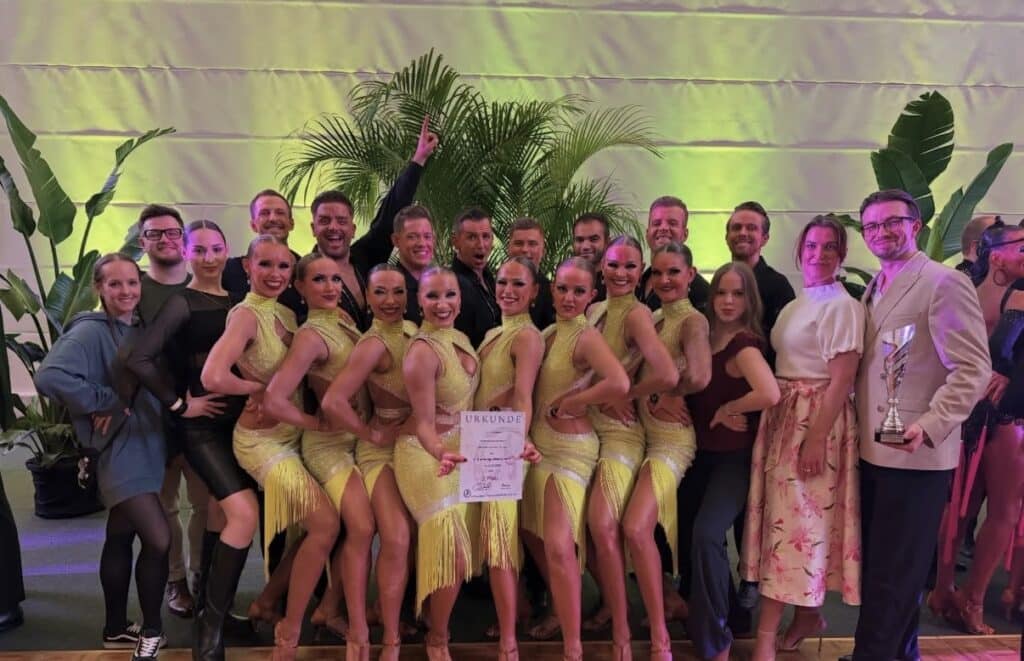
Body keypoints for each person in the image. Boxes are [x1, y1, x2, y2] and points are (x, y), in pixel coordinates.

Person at [848, 189, 989, 661]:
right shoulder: (874, 286)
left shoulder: (943, 282)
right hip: (873, 450)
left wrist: (930, 425)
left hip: (916, 455)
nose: (881, 232)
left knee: (893, 576)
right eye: (872, 226)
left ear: (915, 225)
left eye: (892, 222)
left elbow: (973, 369)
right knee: (888, 572)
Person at [119, 221, 252, 660]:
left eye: (216, 249)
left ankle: (214, 610)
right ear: (188, 253)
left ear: (227, 251)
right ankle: (208, 630)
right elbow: (140, 358)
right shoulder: (182, 302)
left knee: (217, 511)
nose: (209, 258)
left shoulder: (238, 300)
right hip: (201, 428)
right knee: (237, 512)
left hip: (239, 425)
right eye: (200, 249)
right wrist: (179, 405)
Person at [202, 235, 339, 659]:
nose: (275, 274)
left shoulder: (286, 312)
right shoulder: (246, 316)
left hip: (292, 436)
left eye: (283, 266)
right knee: (326, 524)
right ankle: (274, 631)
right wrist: (256, 388)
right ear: (247, 266)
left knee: (317, 526)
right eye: (266, 265)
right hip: (261, 442)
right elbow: (212, 375)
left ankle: (266, 601)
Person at [36, 253, 170, 661]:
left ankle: (115, 628)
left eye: (132, 282)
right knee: (159, 539)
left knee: (120, 533)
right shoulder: (90, 331)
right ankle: (152, 631)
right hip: (121, 449)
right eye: (115, 284)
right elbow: (49, 376)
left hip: (145, 444)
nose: (126, 291)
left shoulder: (139, 325)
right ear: (98, 288)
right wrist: (103, 400)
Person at [741, 215, 864, 660]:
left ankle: (766, 637)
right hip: (785, 416)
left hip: (815, 421)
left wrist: (815, 438)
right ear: (799, 250)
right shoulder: (799, 302)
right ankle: (807, 616)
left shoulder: (843, 306)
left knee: (796, 529)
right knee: (790, 526)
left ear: (842, 254)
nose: (819, 254)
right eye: (812, 246)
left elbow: (842, 379)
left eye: (829, 247)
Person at [261, 254, 377, 656]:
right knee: (360, 527)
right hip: (329, 448)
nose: (330, 287)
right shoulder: (311, 335)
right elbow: (274, 398)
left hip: (357, 443)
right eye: (319, 280)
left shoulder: (342, 318)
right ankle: (296, 628)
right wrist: (315, 423)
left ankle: (325, 608)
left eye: (335, 279)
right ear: (300, 287)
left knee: (339, 532)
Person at [520, 257, 630, 661]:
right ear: (551, 290)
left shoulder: (585, 336)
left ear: (591, 295)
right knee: (533, 534)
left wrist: (575, 402)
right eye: (563, 289)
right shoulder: (548, 333)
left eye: (579, 291)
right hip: (537, 447)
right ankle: (565, 612)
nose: (569, 297)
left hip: (569, 451)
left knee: (558, 544)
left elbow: (619, 381)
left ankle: (576, 646)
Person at [582, 236, 679, 658]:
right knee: (588, 529)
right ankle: (617, 616)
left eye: (629, 266)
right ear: (601, 268)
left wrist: (627, 393)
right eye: (613, 264)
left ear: (641, 273)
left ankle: (652, 635)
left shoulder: (638, 314)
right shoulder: (592, 310)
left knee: (604, 524)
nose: (620, 273)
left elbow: (668, 375)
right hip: (586, 431)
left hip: (621, 434)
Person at [929, 220, 1024, 635]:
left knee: (959, 508)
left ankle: (943, 589)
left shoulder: (963, 288)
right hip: (1002, 415)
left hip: (966, 410)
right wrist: (1003, 373)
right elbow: (1001, 350)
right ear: (998, 256)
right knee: (1003, 511)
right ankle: (973, 599)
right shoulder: (1017, 295)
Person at [683, 262, 780, 661]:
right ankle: (720, 618)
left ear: (749, 300)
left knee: (707, 535)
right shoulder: (704, 337)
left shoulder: (744, 346)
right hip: (699, 455)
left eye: (737, 294)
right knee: (696, 540)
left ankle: (716, 639)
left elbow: (770, 393)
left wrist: (730, 408)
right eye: (721, 292)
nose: (727, 301)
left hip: (733, 459)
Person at [322, 264, 417, 661]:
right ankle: (382, 636)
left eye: (398, 291)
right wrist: (371, 434)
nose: (390, 300)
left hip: (417, 447)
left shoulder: (414, 332)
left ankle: (390, 618)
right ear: (367, 297)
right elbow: (333, 401)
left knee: (413, 537)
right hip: (382, 452)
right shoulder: (373, 343)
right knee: (396, 537)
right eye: (380, 292)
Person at [621, 241, 710, 660]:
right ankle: (668, 602)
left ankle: (661, 639)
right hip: (641, 436)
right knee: (627, 526)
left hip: (672, 440)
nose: (665, 280)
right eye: (657, 273)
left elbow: (700, 375)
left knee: (636, 528)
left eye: (673, 271)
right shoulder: (653, 317)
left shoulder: (692, 321)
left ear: (690, 275)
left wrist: (666, 394)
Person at [395, 266, 481, 661]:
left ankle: (433, 616)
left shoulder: (460, 338)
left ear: (460, 300)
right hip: (424, 453)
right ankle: (438, 636)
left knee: (460, 549)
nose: (442, 304)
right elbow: (425, 425)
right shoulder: (421, 351)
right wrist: (439, 452)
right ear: (419, 301)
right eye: (432, 296)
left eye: (449, 295)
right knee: (454, 549)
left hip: (462, 452)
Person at [134, 204, 209, 620]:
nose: (165, 239)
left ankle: (201, 575)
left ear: (183, 238)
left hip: (204, 414)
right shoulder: (134, 290)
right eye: (155, 233)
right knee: (164, 506)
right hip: (152, 416)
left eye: (172, 232)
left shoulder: (206, 282)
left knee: (206, 503)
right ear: (142, 241)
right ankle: (175, 578)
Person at [474, 257, 546, 661]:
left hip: (504, 444)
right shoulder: (494, 332)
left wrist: (515, 441)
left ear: (534, 292)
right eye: (502, 282)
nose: (508, 290)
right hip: (482, 442)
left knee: (500, 541)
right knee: (500, 538)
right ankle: (517, 612)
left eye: (518, 284)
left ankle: (508, 641)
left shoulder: (527, 337)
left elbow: (522, 394)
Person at [306, 115, 438, 330]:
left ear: (352, 228)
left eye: (341, 221)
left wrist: (418, 160)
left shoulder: (365, 257)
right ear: (313, 228)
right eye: (325, 220)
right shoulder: (303, 271)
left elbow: (390, 214)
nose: (333, 227)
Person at [221, 189, 305, 316]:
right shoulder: (231, 270)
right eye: (264, 213)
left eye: (280, 213)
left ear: (291, 223)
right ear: (253, 225)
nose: (273, 218)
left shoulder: (306, 270)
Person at [637, 196, 711, 313]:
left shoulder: (701, 291)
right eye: (657, 223)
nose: (663, 228)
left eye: (672, 223)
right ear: (647, 233)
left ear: (685, 234)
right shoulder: (637, 280)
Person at [451, 207, 501, 347]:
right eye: (472, 237)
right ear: (455, 241)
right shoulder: (453, 285)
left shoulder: (491, 279)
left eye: (486, 236)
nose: (481, 245)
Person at [391, 204, 437, 324]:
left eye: (427, 236)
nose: (422, 243)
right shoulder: (389, 291)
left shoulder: (442, 284)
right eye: (412, 237)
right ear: (396, 240)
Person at [507, 217, 555, 330]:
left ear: (543, 250)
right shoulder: (492, 288)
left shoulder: (554, 294)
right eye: (519, 243)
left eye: (532, 244)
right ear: (509, 248)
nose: (525, 249)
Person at [572, 213, 610, 301]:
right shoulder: (566, 280)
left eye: (593, 239)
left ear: (607, 243)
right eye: (580, 240)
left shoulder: (616, 283)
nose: (585, 246)